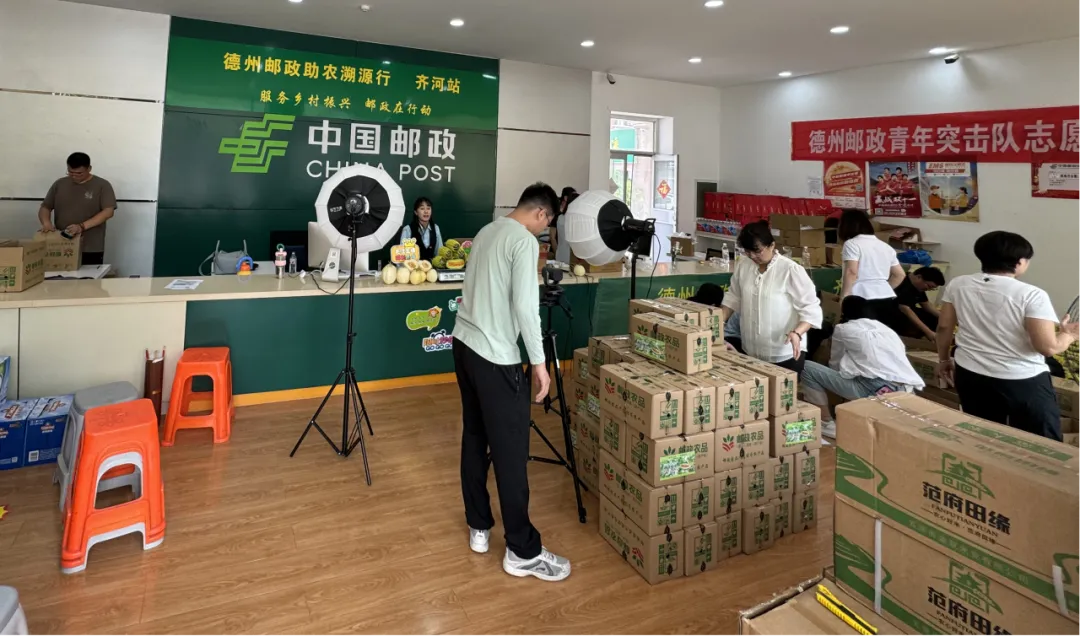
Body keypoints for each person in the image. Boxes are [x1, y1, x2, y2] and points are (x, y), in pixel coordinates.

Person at [452, 182, 570, 581]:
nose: (543, 231)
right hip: (494, 356)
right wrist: (539, 363)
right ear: (541, 214)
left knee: (474, 436)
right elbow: (525, 306)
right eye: (546, 224)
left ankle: (479, 526)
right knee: (510, 452)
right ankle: (521, 549)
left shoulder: (488, 230)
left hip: (464, 345)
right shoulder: (523, 241)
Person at [936, 231, 1080, 441]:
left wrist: (943, 360)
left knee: (984, 436)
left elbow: (944, 327)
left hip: (970, 374)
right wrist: (1070, 335)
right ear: (1020, 262)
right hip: (1021, 380)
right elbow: (1048, 347)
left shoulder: (958, 284)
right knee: (1042, 443)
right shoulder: (1031, 294)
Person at [801, 295, 925, 439]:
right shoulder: (887, 330)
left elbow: (835, 363)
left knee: (806, 367)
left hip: (876, 389)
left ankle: (826, 423)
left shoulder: (843, 329)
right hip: (906, 391)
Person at [721, 221, 822, 373]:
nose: (752, 256)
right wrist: (719, 321)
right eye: (748, 252)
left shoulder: (790, 270)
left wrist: (797, 333)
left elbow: (810, 308)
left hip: (784, 354)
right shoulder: (744, 265)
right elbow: (733, 297)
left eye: (757, 251)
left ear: (772, 245)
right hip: (750, 351)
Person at [38, 152, 116, 266]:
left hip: (90, 246)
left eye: (79, 173)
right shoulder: (60, 184)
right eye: (70, 172)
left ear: (89, 168)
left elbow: (108, 212)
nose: (74, 176)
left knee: (88, 276)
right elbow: (45, 207)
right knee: (59, 275)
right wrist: (46, 223)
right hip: (61, 244)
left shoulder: (102, 185)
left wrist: (81, 226)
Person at [838, 209, 906, 323]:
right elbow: (900, 274)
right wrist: (882, 288)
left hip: (862, 298)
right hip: (887, 298)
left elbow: (851, 272)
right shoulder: (885, 246)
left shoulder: (851, 244)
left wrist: (844, 297)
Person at [892, 267, 946, 341]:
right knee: (912, 323)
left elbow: (926, 305)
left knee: (934, 318)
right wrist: (928, 332)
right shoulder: (902, 283)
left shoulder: (917, 286)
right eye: (929, 286)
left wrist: (947, 318)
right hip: (892, 313)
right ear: (919, 277)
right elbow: (906, 310)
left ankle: (935, 337)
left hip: (907, 310)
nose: (928, 289)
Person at [399, 197, 443, 262]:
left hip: (431, 266)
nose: (426, 211)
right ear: (416, 212)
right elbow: (402, 256)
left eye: (428, 208)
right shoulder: (408, 230)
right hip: (413, 267)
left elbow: (439, 252)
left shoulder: (436, 228)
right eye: (422, 208)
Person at [550, 187, 578, 264]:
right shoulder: (570, 219)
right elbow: (552, 237)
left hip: (560, 255)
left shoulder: (560, 217)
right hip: (568, 257)